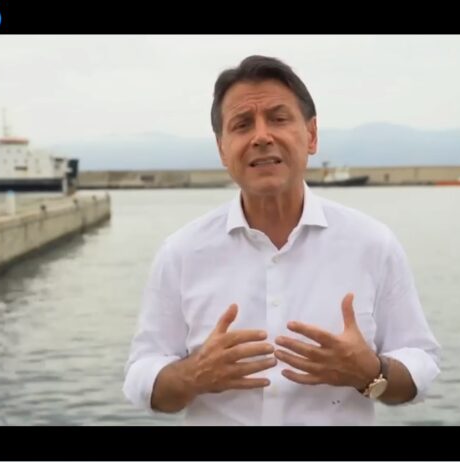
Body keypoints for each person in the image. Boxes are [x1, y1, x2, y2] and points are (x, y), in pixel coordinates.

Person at [123, 55, 440, 426]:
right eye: (242, 124)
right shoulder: (181, 253)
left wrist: (371, 372)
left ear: (312, 135)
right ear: (222, 149)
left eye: (278, 118)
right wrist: (191, 375)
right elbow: (141, 375)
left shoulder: (372, 244)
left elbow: (420, 365)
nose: (261, 137)